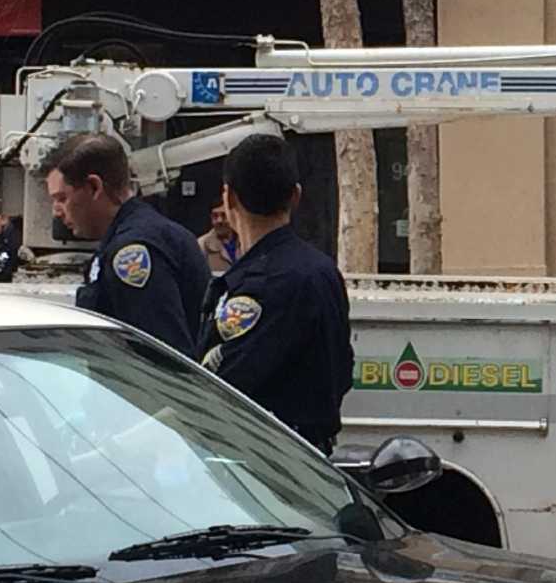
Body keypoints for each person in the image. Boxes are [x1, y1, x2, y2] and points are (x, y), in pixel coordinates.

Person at [198, 132, 353, 456]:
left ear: (229, 199)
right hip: (311, 459)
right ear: (296, 196)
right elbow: (342, 370)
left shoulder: (262, 285)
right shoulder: (322, 271)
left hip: (260, 464)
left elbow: (218, 388)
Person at [45, 133, 211, 355]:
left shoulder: (133, 252)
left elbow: (158, 357)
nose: (56, 211)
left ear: (94, 187)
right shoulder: (150, 233)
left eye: (62, 198)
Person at [199, 202, 239, 277]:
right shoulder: (201, 245)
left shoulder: (246, 242)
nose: (219, 220)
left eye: (224, 215)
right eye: (215, 216)